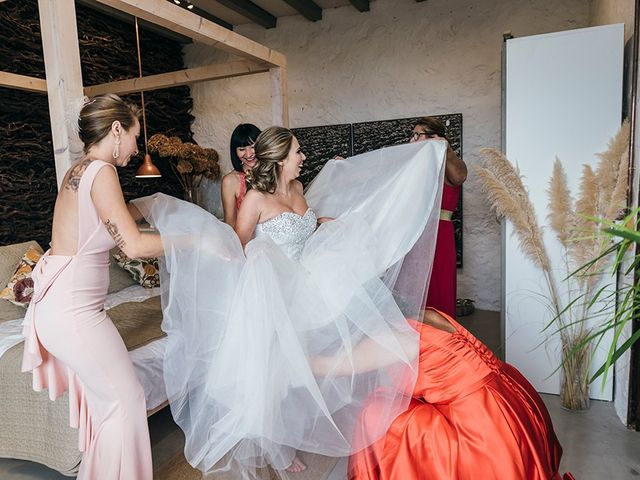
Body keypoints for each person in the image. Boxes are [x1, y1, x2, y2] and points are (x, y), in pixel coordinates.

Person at [131, 127, 446, 479]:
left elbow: (303, 227)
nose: (303, 158)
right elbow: (238, 247)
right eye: (298, 152)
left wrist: (321, 223)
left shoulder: (297, 189)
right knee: (274, 372)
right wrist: (260, 267)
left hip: (305, 284)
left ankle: (300, 428)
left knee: (303, 363)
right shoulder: (254, 199)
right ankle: (276, 447)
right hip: (272, 291)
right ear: (280, 159)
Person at [21, 93, 164, 480]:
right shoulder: (102, 172)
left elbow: (97, 227)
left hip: (64, 307)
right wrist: (192, 242)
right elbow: (132, 245)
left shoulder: (79, 170)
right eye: (135, 137)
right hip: (73, 312)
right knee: (126, 399)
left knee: (112, 403)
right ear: (117, 130)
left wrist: (146, 205)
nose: (136, 149)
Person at [344, 307, 570, 480]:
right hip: (510, 396)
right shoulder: (426, 314)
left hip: (484, 422)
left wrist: (308, 363)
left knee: (375, 412)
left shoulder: (394, 340)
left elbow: (338, 366)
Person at [410, 116, 467, 318]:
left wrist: (445, 147)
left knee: (438, 286)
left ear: (434, 137)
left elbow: (460, 177)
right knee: (416, 289)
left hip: (439, 235)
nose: (412, 140)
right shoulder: (419, 166)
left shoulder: (450, 163)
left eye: (418, 135)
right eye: (412, 135)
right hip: (417, 233)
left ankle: (441, 340)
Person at [221, 123, 261, 228]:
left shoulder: (274, 172)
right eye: (242, 149)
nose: (249, 154)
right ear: (235, 151)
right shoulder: (230, 181)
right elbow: (230, 224)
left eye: (253, 147)